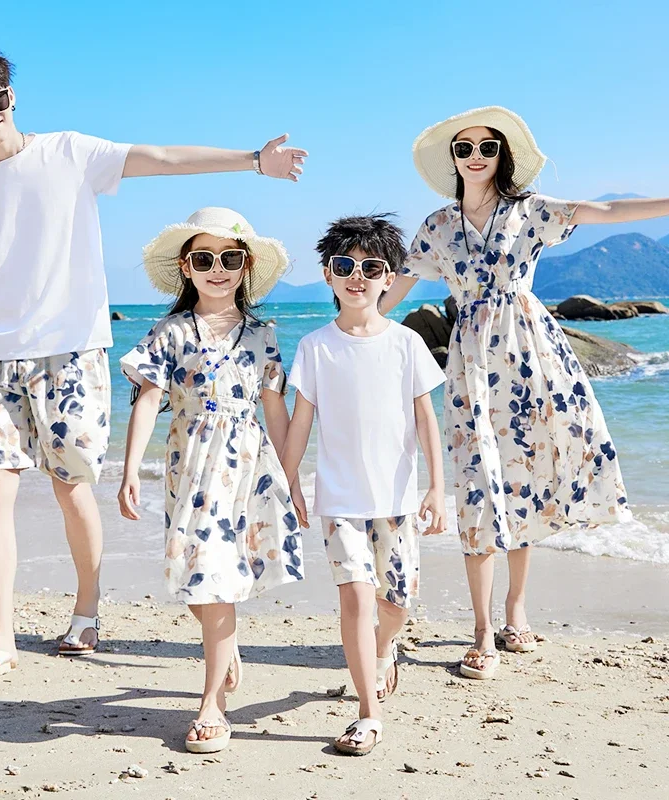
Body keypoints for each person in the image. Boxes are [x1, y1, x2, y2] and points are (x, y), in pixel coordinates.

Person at [0, 42, 307, 685]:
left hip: (73, 354)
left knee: (72, 489)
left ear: (11, 96)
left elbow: (156, 158)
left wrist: (252, 162)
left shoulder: (69, 152)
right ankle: (1, 639)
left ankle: (86, 611)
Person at [381, 106, 669, 679]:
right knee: (478, 488)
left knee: (523, 482)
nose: (476, 157)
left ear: (502, 155)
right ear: (454, 160)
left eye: (487, 147)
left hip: (533, 359)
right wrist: (351, 328)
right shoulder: (437, 226)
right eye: (464, 149)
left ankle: (516, 610)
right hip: (469, 367)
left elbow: (607, 210)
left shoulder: (530, 211)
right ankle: (482, 630)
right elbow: (394, 289)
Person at [118, 207, 304, 753]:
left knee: (216, 580)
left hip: (247, 471)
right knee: (198, 578)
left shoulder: (263, 334)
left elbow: (276, 410)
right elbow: (149, 399)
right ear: (187, 266)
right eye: (204, 259)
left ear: (245, 265)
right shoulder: (171, 330)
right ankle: (226, 646)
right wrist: (129, 469)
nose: (217, 268)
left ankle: (211, 707)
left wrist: (292, 478)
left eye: (229, 258)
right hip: (190, 468)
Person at [281, 214, 446, 755]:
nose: (357, 275)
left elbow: (426, 420)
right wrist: (290, 483)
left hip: (397, 499)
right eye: (344, 265)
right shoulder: (314, 347)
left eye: (371, 266)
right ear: (328, 275)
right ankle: (368, 712)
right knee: (355, 597)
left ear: (389, 276)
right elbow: (301, 421)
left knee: (395, 602)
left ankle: (383, 650)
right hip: (339, 500)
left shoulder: (406, 344)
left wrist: (436, 488)